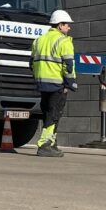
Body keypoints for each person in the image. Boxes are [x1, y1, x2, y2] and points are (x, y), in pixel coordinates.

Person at [30, 9, 78, 158]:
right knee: (54, 114)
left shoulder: (38, 40)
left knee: (47, 113)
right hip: (57, 83)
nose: (69, 28)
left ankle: (52, 143)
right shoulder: (64, 41)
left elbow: (31, 63)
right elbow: (68, 66)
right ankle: (45, 145)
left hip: (42, 83)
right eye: (67, 24)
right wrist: (70, 83)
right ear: (60, 25)